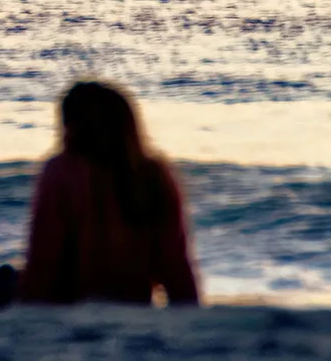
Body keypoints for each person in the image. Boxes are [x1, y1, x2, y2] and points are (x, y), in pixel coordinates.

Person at [18, 81, 200, 306]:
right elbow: (176, 266)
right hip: (136, 305)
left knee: (2, 281)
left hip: (71, 307)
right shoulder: (153, 174)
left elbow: (44, 259)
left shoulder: (62, 171)